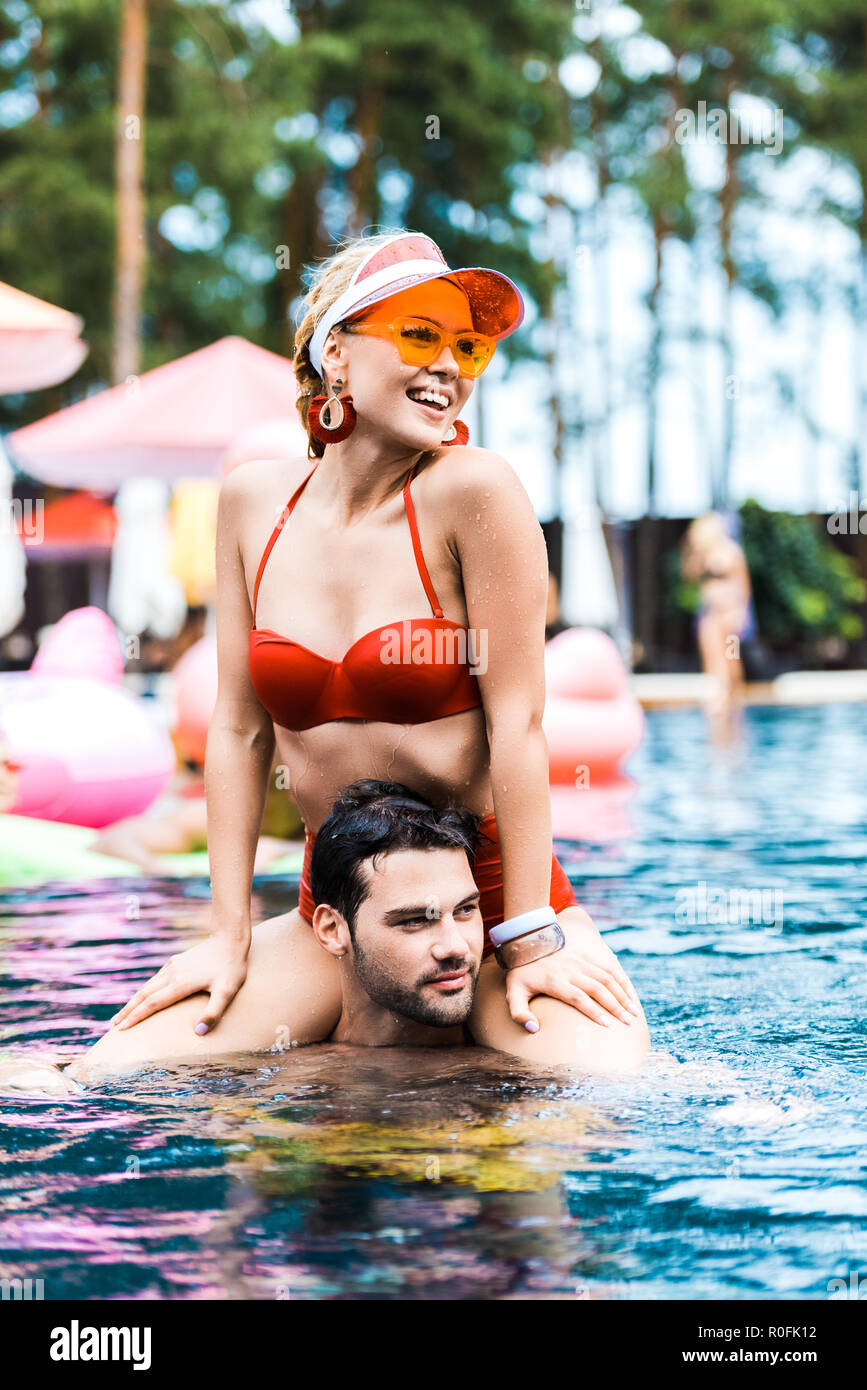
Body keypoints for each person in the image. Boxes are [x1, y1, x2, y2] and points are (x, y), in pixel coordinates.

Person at [111, 229, 648, 1069]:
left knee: (603, 1092)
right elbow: (238, 732)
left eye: (467, 347)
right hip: (333, 911)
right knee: (103, 1076)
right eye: (418, 335)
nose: (451, 367)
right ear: (336, 352)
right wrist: (225, 937)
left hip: (489, 898)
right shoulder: (253, 500)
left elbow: (519, 725)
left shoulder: (473, 492)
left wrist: (533, 932)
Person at [0, 781, 646, 1091]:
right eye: (414, 920)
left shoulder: (514, 1076)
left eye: (466, 912)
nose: (454, 945)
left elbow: (664, 1097)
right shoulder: (280, 1070)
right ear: (331, 931)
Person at [681, 512, 753, 716]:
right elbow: (688, 575)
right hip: (710, 612)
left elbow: (743, 583)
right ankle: (718, 694)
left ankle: (736, 697)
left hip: (729, 612)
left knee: (731, 657)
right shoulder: (702, 554)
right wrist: (694, 552)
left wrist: (741, 612)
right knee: (712, 656)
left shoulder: (731, 551)